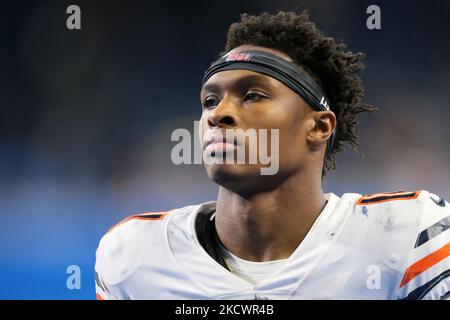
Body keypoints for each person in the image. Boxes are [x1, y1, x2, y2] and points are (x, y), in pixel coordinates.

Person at [95, 11, 450, 300]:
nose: (219, 114)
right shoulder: (133, 259)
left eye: (253, 95)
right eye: (209, 101)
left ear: (319, 126)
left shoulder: (406, 241)